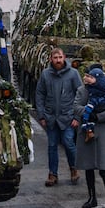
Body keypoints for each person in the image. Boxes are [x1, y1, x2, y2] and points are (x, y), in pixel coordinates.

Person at [73, 66, 105, 208]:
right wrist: (87, 112)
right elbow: (76, 107)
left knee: (104, 169)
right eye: (85, 75)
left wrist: (98, 116)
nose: (86, 78)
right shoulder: (82, 91)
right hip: (87, 132)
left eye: (89, 76)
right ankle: (92, 197)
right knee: (88, 166)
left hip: (104, 132)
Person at [35, 47, 82, 187]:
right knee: (52, 146)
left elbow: (80, 95)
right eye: (55, 58)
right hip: (51, 118)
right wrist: (41, 115)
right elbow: (40, 94)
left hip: (67, 117)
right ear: (51, 59)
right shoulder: (45, 74)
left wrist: (77, 117)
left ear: (64, 57)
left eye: (60, 57)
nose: (58, 60)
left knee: (68, 143)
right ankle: (52, 174)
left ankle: (73, 168)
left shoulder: (73, 74)